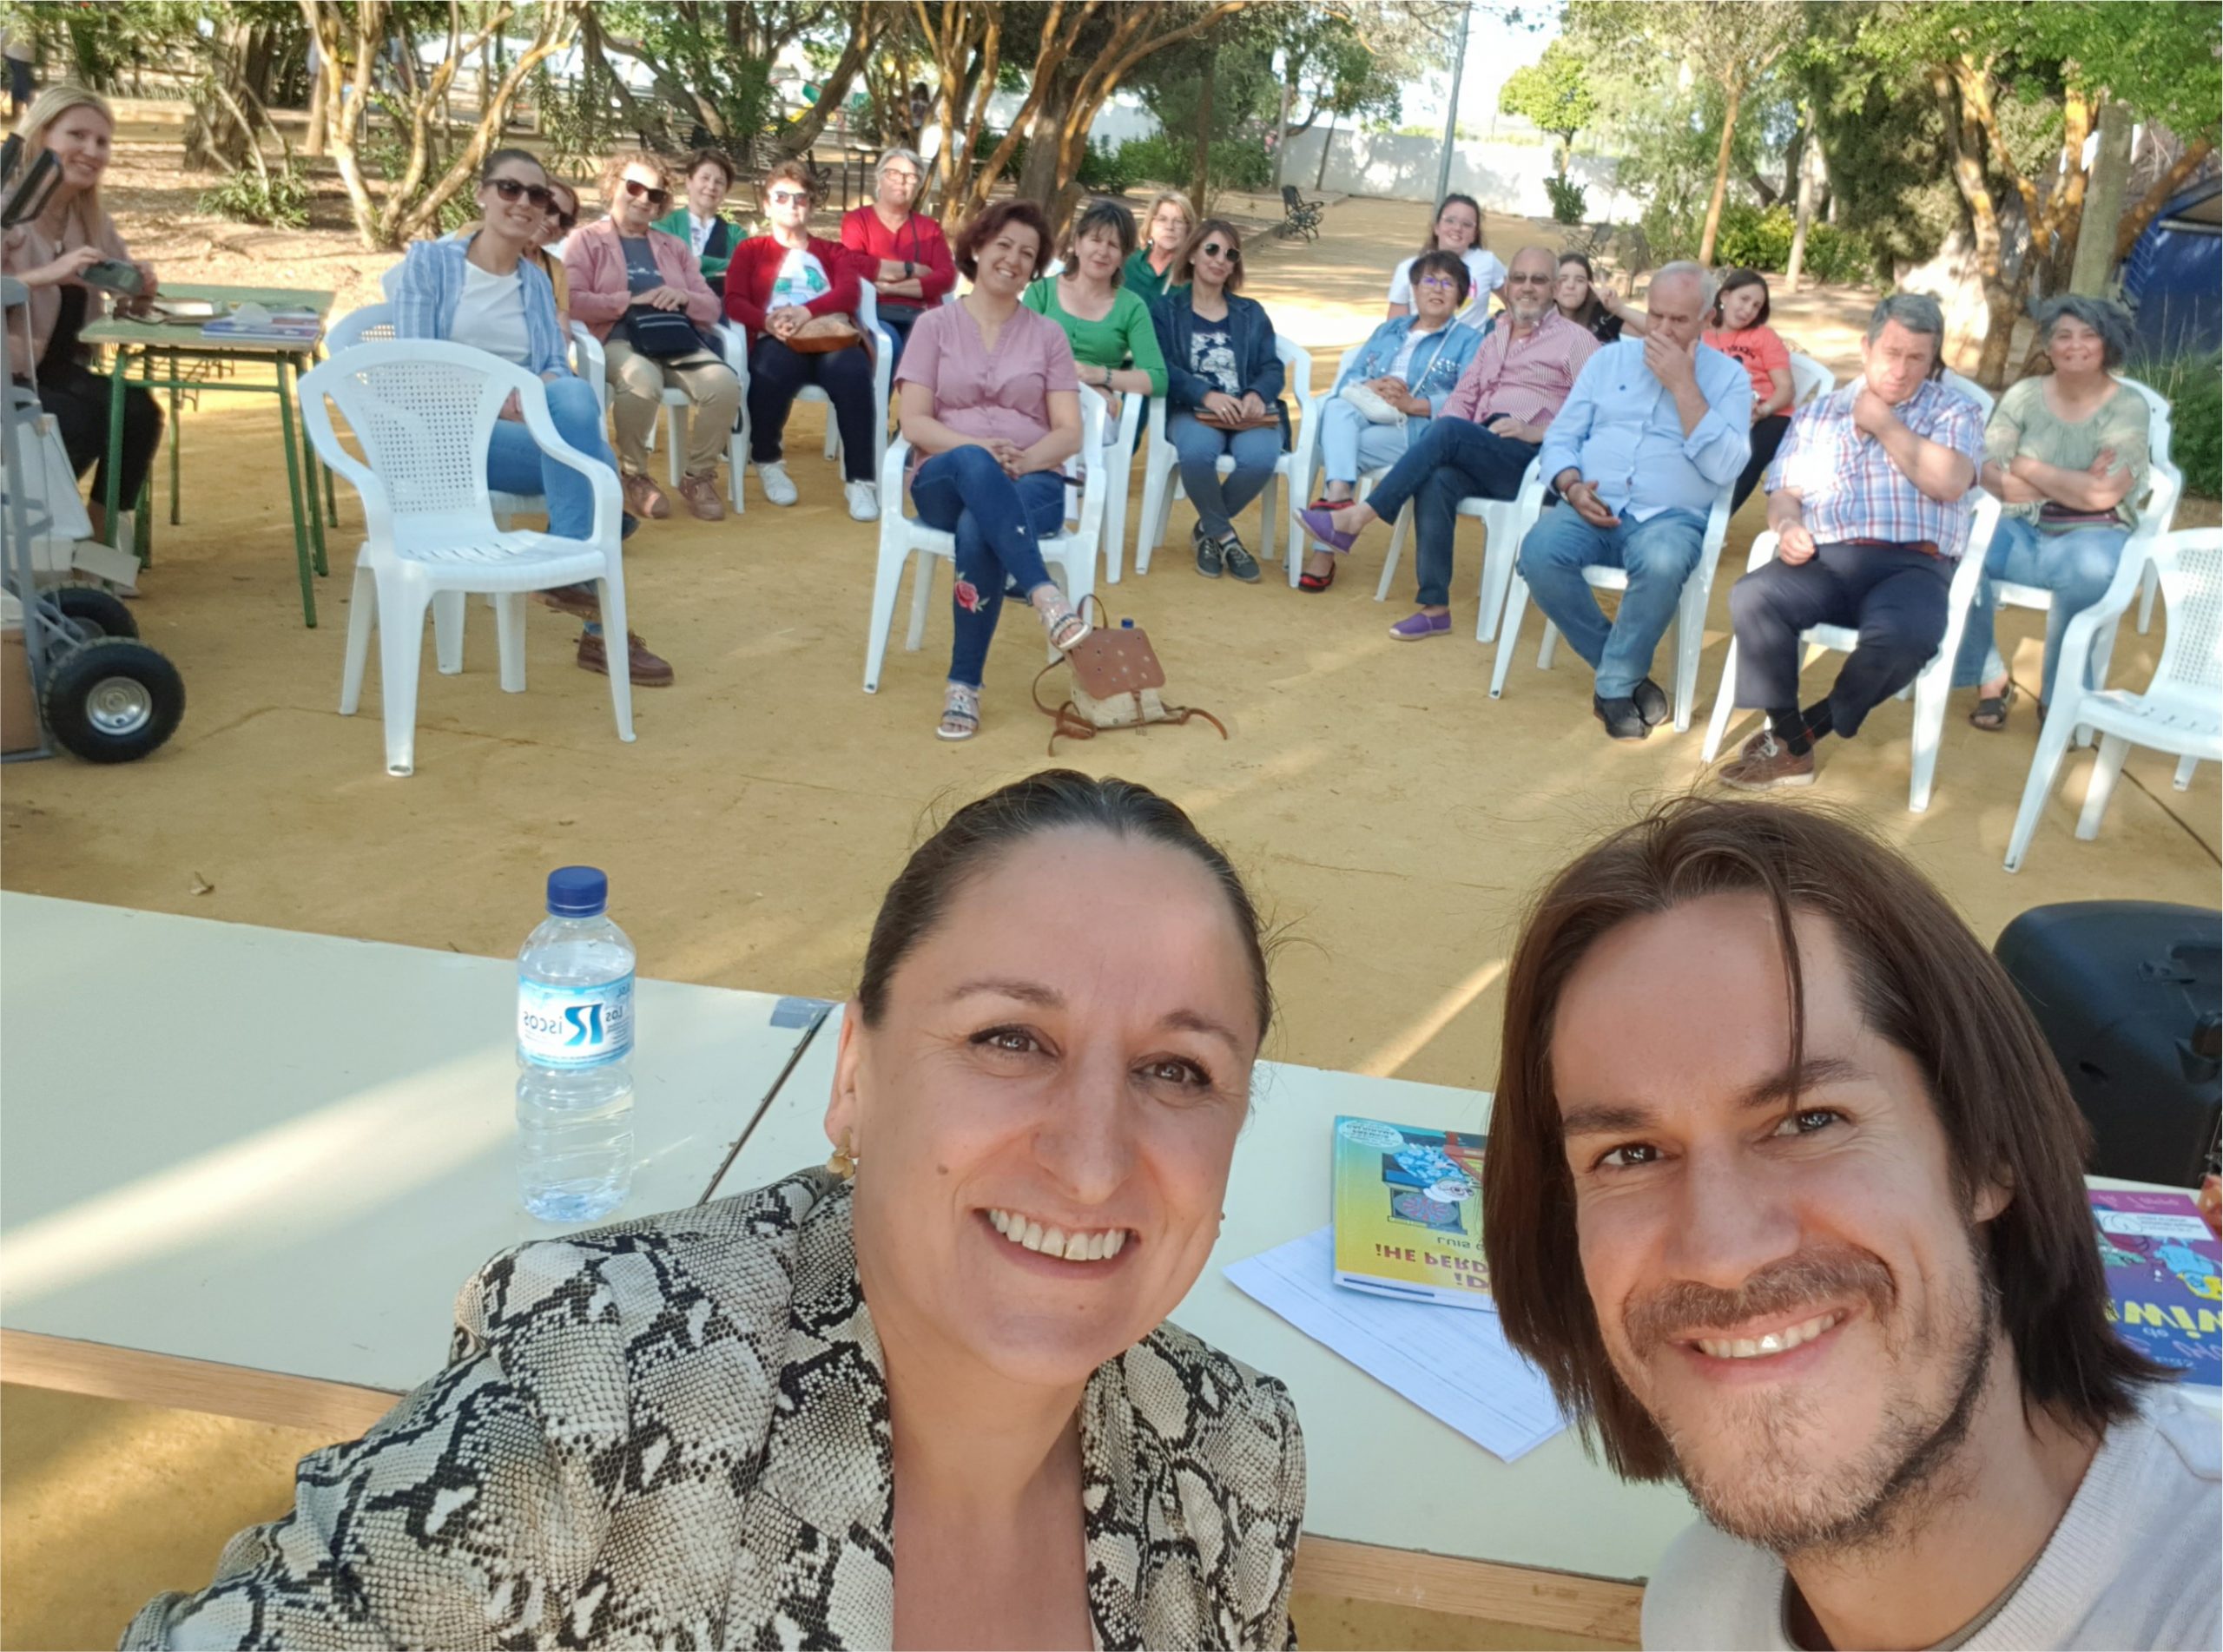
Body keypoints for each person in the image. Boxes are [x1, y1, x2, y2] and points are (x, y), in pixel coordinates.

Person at [123, 770, 1309, 1650]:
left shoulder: (1235, 1455)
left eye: (1178, 1069)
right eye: (1009, 1037)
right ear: (855, 1074)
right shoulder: (605, 1385)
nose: (1093, 1162)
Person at [1481, 795, 2220, 1652]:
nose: (1721, 1253)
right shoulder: (1701, 1607)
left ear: (1986, 1151)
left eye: (1808, 1120)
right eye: (1631, 1153)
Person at [401, 150, 672, 689]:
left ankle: (572, 573)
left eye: (538, 194)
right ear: (481, 194)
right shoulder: (430, 264)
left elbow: (550, 364)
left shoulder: (536, 282)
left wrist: (534, 396)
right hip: (447, 442)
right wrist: (502, 399)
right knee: (597, 472)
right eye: (510, 188)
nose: (524, 202)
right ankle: (600, 627)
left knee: (573, 405)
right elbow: (413, 367)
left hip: (525, 434)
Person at [1720, 292, 1985, 789]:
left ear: (1933, 360)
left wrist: (1883, 423)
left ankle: (1804, 733)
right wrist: (1787, 527)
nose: (1901, 370)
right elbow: (1784, 494)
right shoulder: (1820, 413)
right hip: (1825, 559)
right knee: (1754, 595)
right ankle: (1789, 737)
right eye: (1892, 353)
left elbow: (1950, 483)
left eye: (1917, 358)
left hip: (1912, 566)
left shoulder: (1955, 411)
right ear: (1866, 348)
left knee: (1908, 639)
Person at [1510, 261, 1749, 736]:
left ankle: (1615, 685)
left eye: (1678, 320)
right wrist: (1571, 485)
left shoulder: (1729, 379)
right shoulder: (1608, 361)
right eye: (1656, 315)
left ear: (1707, 318)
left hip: (1670, 518)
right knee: (1538, 554)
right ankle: (1620, 669)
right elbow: (1561, 438)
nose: (1662, 330)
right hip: (1592, 504)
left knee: (1663, 563)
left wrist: (1684, 386)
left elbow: (1726, 469)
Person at [1296, 245, 1592, 609]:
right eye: (1519, 278)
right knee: (1437, 477)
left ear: (1555, 287)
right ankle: (1434, 606)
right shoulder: (1495, 337)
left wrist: (1539, 432)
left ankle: (1356, 518)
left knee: (1448, 430)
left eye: (1539, 280)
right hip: (1482, 447)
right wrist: (1439, 438)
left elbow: (1601, 413)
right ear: (1508, 285)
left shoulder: (1576, 341)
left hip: (1531, 458)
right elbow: (1463, 398)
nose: (1527, 287)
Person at [895, 201, 1089, 741]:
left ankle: (963, 686)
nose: (1013, 259)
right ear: (977, 248)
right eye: (1003, 245)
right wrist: (979, 448)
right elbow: (914, 422)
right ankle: (1044, 594)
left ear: (1036, 268)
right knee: (974, 465)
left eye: (1028, 253)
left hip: (1033, 478)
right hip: (944, 475)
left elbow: (1069, 432)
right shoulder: (933, 326)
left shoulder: (1048, 336)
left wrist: (1024, 461)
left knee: (978, 524)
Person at [1954, 295, 2149, 731]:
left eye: (2089, 335)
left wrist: (2025, 466)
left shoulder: (2128, 406)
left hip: (2093, 535)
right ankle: (1989, 677)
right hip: (2020, 526)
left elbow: (2103, 494)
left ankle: (2061, 695)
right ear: (2048, 345)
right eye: (2063, 335)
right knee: (1952, 549)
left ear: (2107, 344)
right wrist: (2074, 480)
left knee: (2091, 572)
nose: (2075, 345)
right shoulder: (2024, 396)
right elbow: (1987, 473)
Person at [1, 85, 161, 545]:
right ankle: (35, 540)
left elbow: (124, 300)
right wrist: (46, 275)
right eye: (77, 135)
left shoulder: (89, 219)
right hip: (9, 376)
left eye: (102, 141)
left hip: (53, 371)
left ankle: (96, 542)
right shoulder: (8, 205)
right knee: (77, 421)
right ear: (41, 135)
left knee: (136, 412)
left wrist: (140, 291)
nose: (92, 151)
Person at [564, 150, 739, 523]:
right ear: (612, 186)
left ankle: (698, 477)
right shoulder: (586, 240)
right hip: (619, 338)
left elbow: (710, 307)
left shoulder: (673, 247)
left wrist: (683, 296)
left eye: (655, 194)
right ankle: (635, 475)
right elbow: (573, 300)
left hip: (672, 339)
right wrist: (628, 300)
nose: (644, 199)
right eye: (634, 188)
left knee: (724, 383)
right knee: (642, 379)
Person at [725, 159, 883, 523]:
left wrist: (805, 312)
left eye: (800, 198)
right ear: (767, 205)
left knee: (854, 372)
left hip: (829, 334)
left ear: (810, 206)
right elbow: (733, 300)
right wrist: (767, 322)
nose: (792, 204)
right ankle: (767, 460)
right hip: (777, 335)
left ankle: (860, 481)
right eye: (781, 197)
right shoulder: (750, 250)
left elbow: (848, 294)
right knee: (769, 370)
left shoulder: (833, 251)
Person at [1151, 219, 1287, 584]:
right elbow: (1162, 366)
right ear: (1192, 254)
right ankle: (1226, 537)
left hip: (1246, 412)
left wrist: (1257, 393)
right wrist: (1205, 394)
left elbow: (1272, 367)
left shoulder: (1251, 312)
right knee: (1197, 453)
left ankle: (1207, 531)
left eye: (1230, 254)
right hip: (1193, 410)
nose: (1220, 259)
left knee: (1261, 457)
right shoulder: (1165, 310)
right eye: (1211, 249)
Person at [1022, 197, 1167, 410]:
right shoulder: (1041, 293)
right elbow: (1019, 355)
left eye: (1113, 245)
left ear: (1123, 257)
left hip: (1093, 412)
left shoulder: (1132, 307)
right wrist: (1076, 384)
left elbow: (1158, 379)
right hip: (1035, 397)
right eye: (1096, 240)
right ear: (1077, 244)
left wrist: (1100, 377)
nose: (1103, 251)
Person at [839, 147, 955, 364]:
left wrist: (891, 287)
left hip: (922, 315)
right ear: (879, 178)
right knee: (891, 344)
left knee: (932, 347)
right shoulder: (857, 220)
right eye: (893, 173)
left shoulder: (930, 229)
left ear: (918, 186)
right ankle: (888, 389)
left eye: (910, 176)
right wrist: (911, 269)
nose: (901, 181)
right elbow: (855, 264)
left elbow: (946, 277)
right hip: (872, 313)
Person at [1705, 268, 1795, 512]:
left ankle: (1716, 521)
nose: (1748, 310)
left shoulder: (1763, 336)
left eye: (1756, 306)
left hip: (1769, 414)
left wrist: (1762, 411)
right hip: (1719, 411)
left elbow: (1786, 388)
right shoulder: (1702, 334)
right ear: (1725, 296)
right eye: (1744, 299)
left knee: (1747, 454)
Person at [1384, 193, 1504, 324]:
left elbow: (1515, 301)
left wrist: (1503, 324)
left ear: (1474, 235)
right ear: (1436, 227)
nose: (1457, 228)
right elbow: (1394, 326)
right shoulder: (1408, 268)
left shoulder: (1487, 262)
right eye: (1450, 220)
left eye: (1467, 224)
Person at [653, 147, 740, 296]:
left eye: (719, 182)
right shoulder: (664, 226)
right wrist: (722, 268)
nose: (711, 187)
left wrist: (702, 262)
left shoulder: (735, 234)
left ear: (726, 190)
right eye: (705, 178)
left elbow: (749, 267)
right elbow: (669, 269)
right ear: (688, 182)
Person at [1123, 189, 1193, 307]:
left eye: (1178, 221)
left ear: (1188, 229)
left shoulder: (1192, 275)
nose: (1169, 227)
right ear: (1150, 224)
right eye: (1162, 219)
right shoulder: (1129, 263)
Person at [1554, 252, 1622, 344]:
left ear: (1589, 287)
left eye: (1580, 280)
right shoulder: (1540, 322)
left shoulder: (1601, 314)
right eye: (1563, 279)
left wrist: (1619, 309)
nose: (1571, 285)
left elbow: (1644, 334)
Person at [3, 23, 33, 120]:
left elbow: (5, 35)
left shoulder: (15, 18)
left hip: (16, 54)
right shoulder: (28, 19)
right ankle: (23, 112)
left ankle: (22, 112)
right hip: (25, 55)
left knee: (21, 83)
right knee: (21, 82)